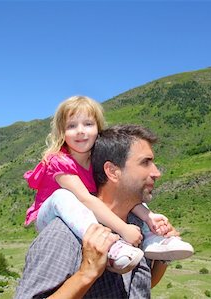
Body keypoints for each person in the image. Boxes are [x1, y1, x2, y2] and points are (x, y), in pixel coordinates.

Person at [23, 95, 193, 274]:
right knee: (63, 196)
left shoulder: (96, 158)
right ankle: (112, 247)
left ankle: (153, 238)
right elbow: (85, 199)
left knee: (128, 190)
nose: (80, 131)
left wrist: (149, 216)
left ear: (98, 128)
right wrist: (123, 229)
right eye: (71, 126)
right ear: (61, 132)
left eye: (88, 124)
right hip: (50, 215)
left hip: (82, 212)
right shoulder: (59, 161)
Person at [15, 124, 182, 297]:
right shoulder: (64, 235)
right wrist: (86, 274)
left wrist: (163, 257)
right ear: (112, 171)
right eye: (145, 162)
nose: (156, 173)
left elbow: (141, 287)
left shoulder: (137, 226)